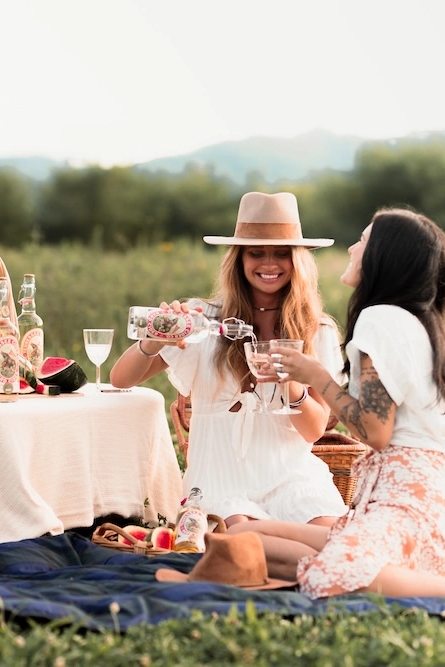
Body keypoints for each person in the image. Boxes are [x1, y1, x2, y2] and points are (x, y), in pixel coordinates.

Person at [230, 208, 445, 599]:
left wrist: (314, 376)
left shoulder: (379, 319)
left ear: (383, 256)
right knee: (241, 535)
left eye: (362, 241)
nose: (351, 247)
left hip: (405, 518)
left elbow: (374, 431)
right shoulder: (414, 321)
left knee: (323, 575)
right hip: (404, 518)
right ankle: (367, 564)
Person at [110, 192, 348, 528]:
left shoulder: (317, 330)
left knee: (326, 531)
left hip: (293, 481)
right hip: (220, 482)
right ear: (238, 259)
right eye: (256, 253)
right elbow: (121, 379)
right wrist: (152, 341)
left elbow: (313, 431)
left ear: (299, 261)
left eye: (282, 253)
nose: (269, 264)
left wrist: (290, 380)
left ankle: (313, 550)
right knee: (243, 533)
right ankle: (305, 552)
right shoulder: (203, 320)